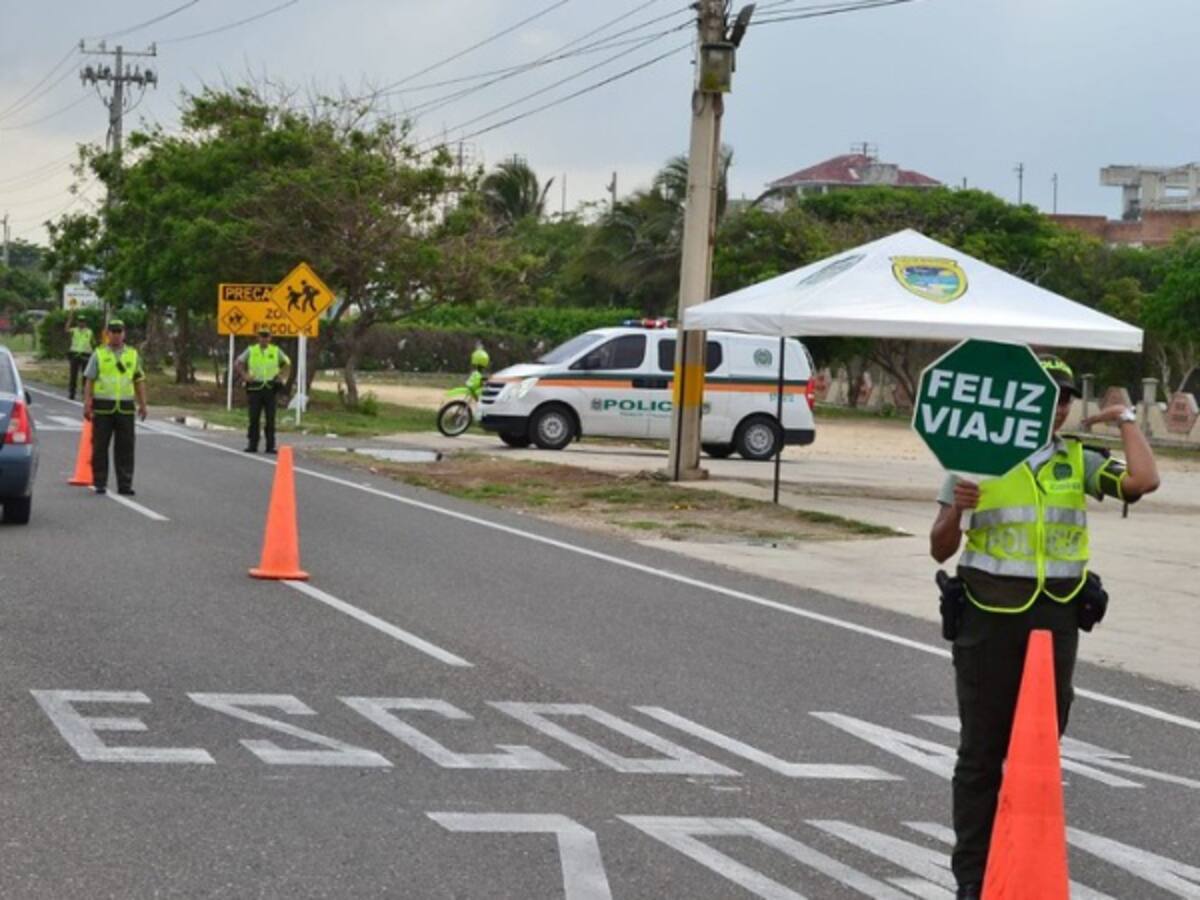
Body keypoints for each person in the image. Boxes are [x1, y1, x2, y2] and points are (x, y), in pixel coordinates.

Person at [930, 356, 1160, 900]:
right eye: (1039, 394)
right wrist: (953, 512)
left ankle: (1021, 867)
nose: (1053, 406)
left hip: (1053, 627)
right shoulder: (973, 459)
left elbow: (1143, 480)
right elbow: (939, 547)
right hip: (989, 619)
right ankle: (972, 877)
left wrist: (1126, 417)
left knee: (1038, 753)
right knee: (982, 755)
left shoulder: (1076, 459)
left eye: (1060, 397)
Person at [82, 320, 147, 496]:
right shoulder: (99, 354)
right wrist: (87, 403)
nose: (116, 334)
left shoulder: (132, 355)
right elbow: (90, 379)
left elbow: (139, 380)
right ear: (107, 333)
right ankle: (100, 482)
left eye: (119, 331)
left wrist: (143, 404)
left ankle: (125, 484)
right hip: (103, 408)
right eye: (113, 331)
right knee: (100, 447)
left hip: (125, 409)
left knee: (126, 448)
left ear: (124, 333)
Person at [234, 327, 291, 454]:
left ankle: (270, 445)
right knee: (254, 418)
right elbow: (238, 363)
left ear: (270, 338)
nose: (264, 339)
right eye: (262, 336)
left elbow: (287, 363)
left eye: (266, 336)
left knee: (270, 418)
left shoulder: (275, 351)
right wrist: (245, 376)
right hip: (255, 387)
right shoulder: (251, 350)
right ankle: (252, 444)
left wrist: (281, 377)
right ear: (258, 337)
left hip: (270, 388)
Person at [65, 312, 95, 400]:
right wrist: (70, 319)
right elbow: (66, 329)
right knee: (73, 375)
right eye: (80, 321)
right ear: (77, 322)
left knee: (85, 376)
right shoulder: (74, 330)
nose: (81, 323)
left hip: (85, 354)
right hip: (75, 354)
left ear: (85, 323)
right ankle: (72, 393)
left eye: (83, 321)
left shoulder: (89, 332)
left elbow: (93, 343)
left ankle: (84, 393)